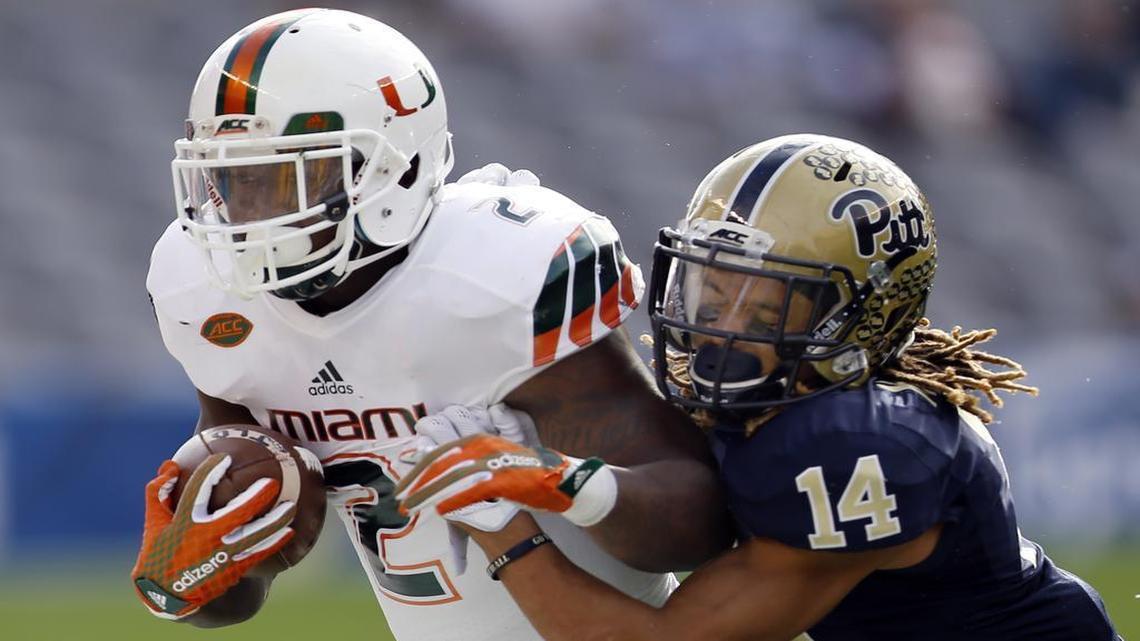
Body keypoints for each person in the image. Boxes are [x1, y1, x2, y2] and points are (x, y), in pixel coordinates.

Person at [132, 8, 731, 640]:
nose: (248, 213)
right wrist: (191, 568)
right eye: (231, 180)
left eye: (283, 179)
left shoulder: (497, 278)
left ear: (395, 167)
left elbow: (696, 527)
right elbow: (236, 589)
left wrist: (564, 483)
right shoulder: (205, 293)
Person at [396, 134, 1122, 640]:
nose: (718, 329)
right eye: (712, 292)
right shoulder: (782, 404)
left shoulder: (856, 445)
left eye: (764, 307)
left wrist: (505, 527)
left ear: (863, 320)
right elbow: (674, 469)